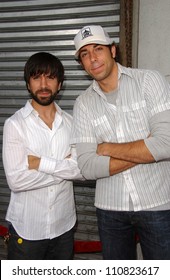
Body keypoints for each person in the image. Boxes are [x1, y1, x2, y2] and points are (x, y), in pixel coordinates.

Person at [70, 25, 170, 260]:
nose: (93, 58)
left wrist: (106, 148)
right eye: (85, 54)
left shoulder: (149, 81)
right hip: (110, 209)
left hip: (158, 204)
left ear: (113, 50)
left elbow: (166, 143)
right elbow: (87, 166)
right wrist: (145, 148)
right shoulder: (83, 103)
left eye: (98, 49)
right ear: (82, 63)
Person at [2, 52, 83, 260]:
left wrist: (39, 163)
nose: (44, 84)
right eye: (37, 77)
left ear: (60, 84)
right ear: (28, 84)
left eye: (50, 77)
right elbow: (17, 180)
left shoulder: (72, 123)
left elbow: (82, 169)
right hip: (28, 229)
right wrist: (65, 167)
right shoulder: (15, 124)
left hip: (63, 226)